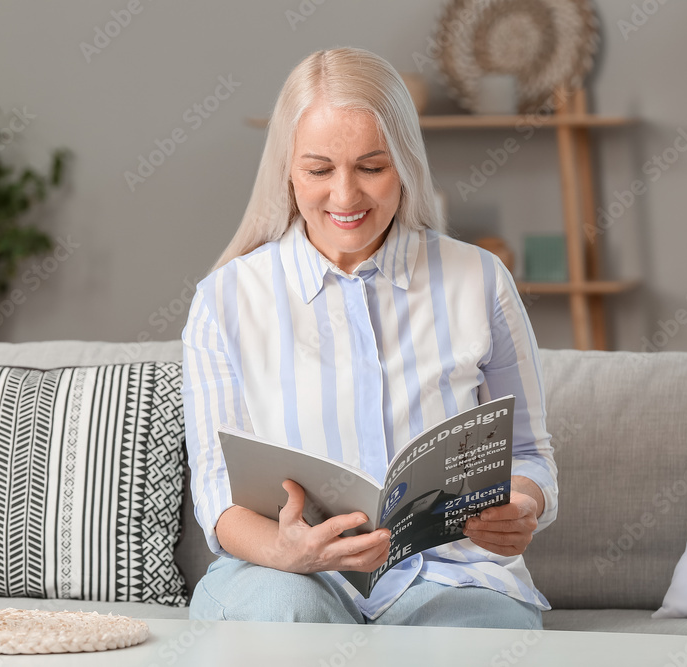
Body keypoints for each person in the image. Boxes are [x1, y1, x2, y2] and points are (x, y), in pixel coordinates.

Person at [181, 47, 557, 628]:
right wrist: (288, 551)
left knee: (474, 640)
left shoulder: (479, 279)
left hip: (449, 573)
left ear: (405, 163)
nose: (346, 196)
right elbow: (218, 496)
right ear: (287, 168)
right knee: (284, 622)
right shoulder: (224, 301)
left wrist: (522, 506)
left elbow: (529, 453)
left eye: (371, 167)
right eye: (319, 169)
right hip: (283, 576)